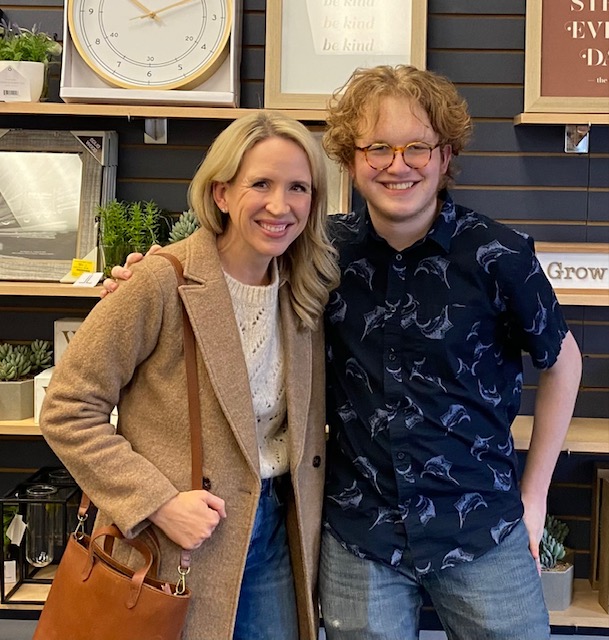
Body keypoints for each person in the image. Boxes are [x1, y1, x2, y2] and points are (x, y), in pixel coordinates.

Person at [105, 65, 583, 640]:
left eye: (416, 147)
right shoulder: (316, 251)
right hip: (362, 536)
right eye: (377, 147)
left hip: (481, 529)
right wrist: (148, 275)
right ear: (351, 161)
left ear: (446, 155)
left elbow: (564, 361)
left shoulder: (500, 255)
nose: (397, 164)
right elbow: (226, 267)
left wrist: (535, 499)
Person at [40, 111, 340, 640]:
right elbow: (67, 408)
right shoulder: (161, 281)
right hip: (174, 542)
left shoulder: (305, 290)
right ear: (222, 193)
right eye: (261, 184)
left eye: (299, 187)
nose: (281, 205)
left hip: (275, 536)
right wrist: (156, 502)